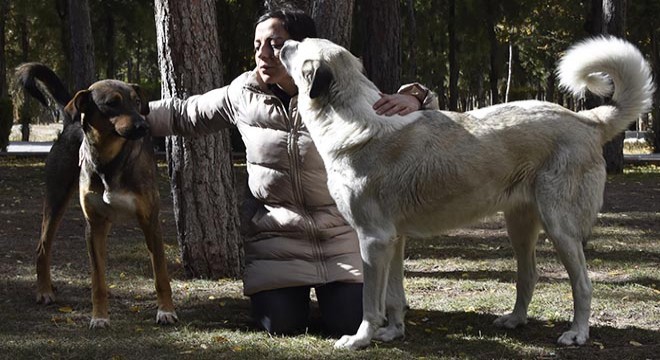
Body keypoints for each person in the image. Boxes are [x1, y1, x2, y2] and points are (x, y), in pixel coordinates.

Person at [147, 6, 438, 336]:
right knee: (282, 327)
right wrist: (130, 113)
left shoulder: (338, 87)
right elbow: (186, 113)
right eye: (257, 45)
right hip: (276, 243)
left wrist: (418, 97)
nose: (263, 54)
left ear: (299, 48)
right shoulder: (242, 94)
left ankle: (343, 297)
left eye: (274, 43)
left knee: (347, 322)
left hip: (341, 240)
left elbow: (400, 110)